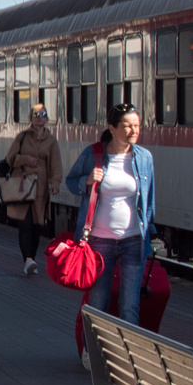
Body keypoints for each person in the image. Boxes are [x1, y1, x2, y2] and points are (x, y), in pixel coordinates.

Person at [64, 102, 155, 336]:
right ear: (112, 128)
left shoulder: (144, 158)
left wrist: (151, 233)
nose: (134, 131)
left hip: (134, 240)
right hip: (100, 241)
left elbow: (149, 199)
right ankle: (90, 350)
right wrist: (86, 180)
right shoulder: (94, 154)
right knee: (99, 301)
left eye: (137, 126)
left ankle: (128, 357)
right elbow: (70, 182)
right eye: (128, 126)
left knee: (130, 305)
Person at [4, 103, 62, 276]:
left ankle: (32, 258)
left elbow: (55, 164)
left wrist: (56, 183)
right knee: (26, 223)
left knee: (37, 224)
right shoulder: (22, 137)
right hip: (23, 184)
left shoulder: (51, 141)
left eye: (43, 114)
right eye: (36, 114)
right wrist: (26, 159)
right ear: (31, 118)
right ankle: (28, 259)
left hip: (41, 188)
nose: (40, 117)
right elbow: (10, 158)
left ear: (47, 118)